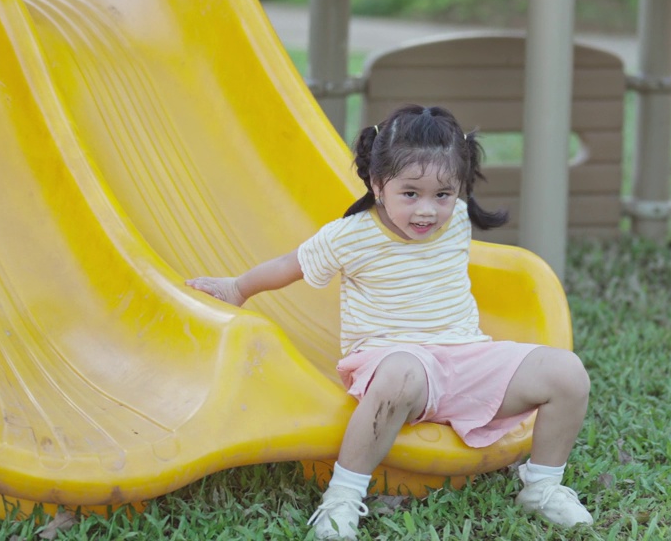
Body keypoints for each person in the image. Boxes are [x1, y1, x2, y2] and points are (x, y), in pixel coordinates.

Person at [186, 104, 592, 539]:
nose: (427, 211)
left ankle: (543, 486)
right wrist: (237, 288)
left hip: (465, 356)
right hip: (392, 360)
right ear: (378, 185)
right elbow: (292, 264)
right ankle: (343, 496)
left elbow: (444, 195)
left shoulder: (455, 218)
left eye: (443, 194)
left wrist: (446, 192)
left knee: (567, 372)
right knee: (401, 374)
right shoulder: (352, 236)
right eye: (410, 193)